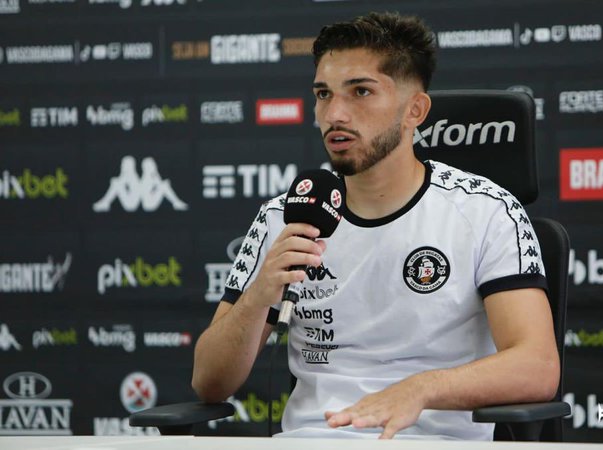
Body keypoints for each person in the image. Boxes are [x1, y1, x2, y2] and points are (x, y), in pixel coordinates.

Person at [192, 12, 560, 440]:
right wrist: (260, 295)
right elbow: (209, 382)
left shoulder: (486, 210)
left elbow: (538, 366)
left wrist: (420, 390)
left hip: (429, 441)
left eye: (360, 91)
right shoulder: (285, 215)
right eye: (323, 94)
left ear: (415, 110)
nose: (335, 114)